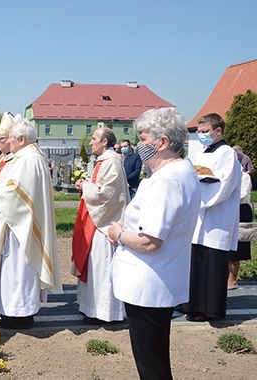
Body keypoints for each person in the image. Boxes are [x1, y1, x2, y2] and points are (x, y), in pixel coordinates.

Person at [107, 108, 201, 380]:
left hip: (149, 283)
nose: (139, 145)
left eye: (144, 138)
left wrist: (117, 234)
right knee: (153, 356)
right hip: (158, 279)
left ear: (162, 142)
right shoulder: (181, 172)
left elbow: (150, 242)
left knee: (151, 364)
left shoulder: (167, 180)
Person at [0, 117, 62, 329]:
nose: (9, 143)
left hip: (18, 228)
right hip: (22, 223)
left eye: (11, 139)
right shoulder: (31, 156)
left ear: (22, 139)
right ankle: (19, 311)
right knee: (18, 270)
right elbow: (15, 185)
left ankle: (17, 315)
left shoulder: (27, 158)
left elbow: (17, 192)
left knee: (16, 269)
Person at [181, 113, 242, 322]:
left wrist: (200, 197)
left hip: (217, 216)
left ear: (218, 131)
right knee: (196, 260)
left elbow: (224, 185)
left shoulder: (227, 154)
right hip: (199, 214)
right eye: (199, 132)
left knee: (211, 264)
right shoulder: (203, 152)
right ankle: (192, 304)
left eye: (205, 132)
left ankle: (210, 310)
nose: (201, 135)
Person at [72, 127, 129, 323]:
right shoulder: (104, 161)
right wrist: (87, 184)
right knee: (94, 264)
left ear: (105, 142)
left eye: (94, 138)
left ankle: (104, 311)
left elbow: (106, 195)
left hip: (104, 222)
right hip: (96, 220)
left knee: (102, 266)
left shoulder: (112, 161)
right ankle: (91, 307)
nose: (90, 142)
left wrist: (84, 186)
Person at [228, 170, 254, 289]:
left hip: (241, 210)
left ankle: (232, 279)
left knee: (238, 247)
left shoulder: (244, 177)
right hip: (226, 210)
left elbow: (242, 195)